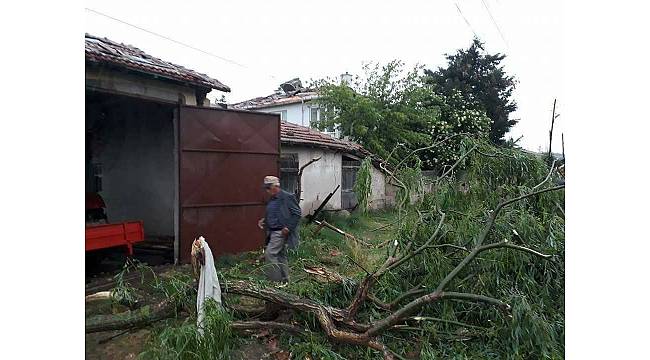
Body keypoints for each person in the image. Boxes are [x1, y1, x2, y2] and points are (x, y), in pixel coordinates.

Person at [258, 175, 301, 284]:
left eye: (269, 187)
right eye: (266, 188)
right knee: (281, 255)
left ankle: (275, 282)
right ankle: (285, 281)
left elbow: (297, 213)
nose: (267, 190)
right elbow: (276, 213)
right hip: (272, 231)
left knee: (270, 254)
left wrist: (288, 227)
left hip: (280, 231)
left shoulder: (287, 197)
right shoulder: (272, 199)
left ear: (276, 186)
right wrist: (265, 220)